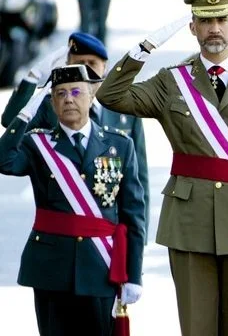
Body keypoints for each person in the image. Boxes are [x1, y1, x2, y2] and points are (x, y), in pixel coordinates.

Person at [95, 0, 228, 336]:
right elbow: (111, 95)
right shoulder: (171, 82)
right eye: (205, 21)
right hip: (189, 222)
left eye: (221, 20)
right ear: (192, 28)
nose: (214, 28)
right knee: (196, 328)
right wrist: (143, 49)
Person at [0, 64, 145, 335]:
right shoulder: (38, 144)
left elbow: (133, 214)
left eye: (77, 91)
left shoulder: (119, 145)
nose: (69, 99)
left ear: (91, 97)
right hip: (50, 268)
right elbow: (4, 161)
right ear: (52, 103)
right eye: (61, 94)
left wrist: (133, 274)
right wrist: (24, 112)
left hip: (101, 267)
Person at [1, 32, 151, 244]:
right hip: (65, 224)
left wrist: (138, 239)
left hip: (108, 228)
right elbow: (10, 121)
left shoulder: (122, 108)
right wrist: (31, 79)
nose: (86, 69)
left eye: (92, 63)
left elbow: (139, 178)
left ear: (105, 67)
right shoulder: (52, 106)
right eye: (79, 63)